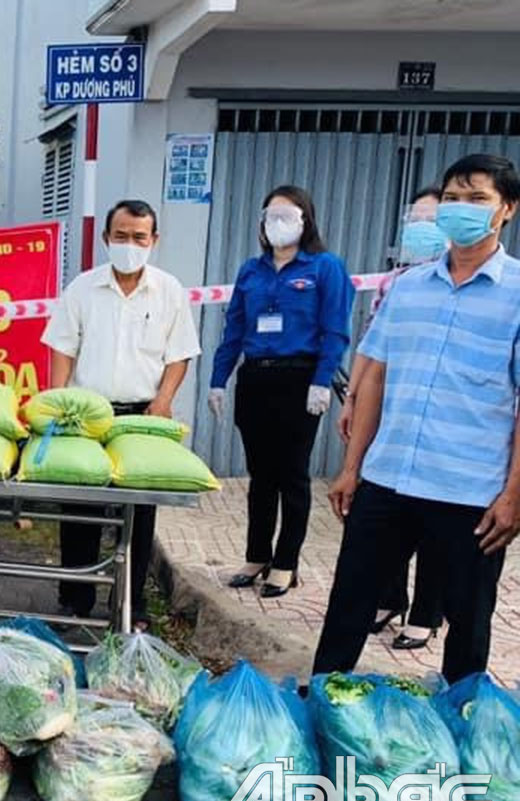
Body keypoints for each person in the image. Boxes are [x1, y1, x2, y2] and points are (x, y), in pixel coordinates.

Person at [315, 153, 520, 684]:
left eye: (477, 199)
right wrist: (352, 466)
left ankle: (460, 725)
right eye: (452, 198)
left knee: (468, 623)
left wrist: (514, 494)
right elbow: (376, 380)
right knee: (349, 606)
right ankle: (319, 703)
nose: (460, 209)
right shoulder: (408, 287)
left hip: (469, 491)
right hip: (388, 479)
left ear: (507, 211)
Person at [42, 200, 201, 629]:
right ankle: (75, 598)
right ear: (106, 238)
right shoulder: (82, 288)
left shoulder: (168, 290)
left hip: (142, 414)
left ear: (154, 240)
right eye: (122, 236)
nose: (130, 245)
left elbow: (180, 354)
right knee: (79, 508)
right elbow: (62, 346)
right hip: (86, 414)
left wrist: (164, 400)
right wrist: (58, 399)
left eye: (139, 238)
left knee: (137, 513)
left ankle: (131, 604)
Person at [209, 185, 354, 598]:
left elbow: (335, 330)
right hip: (256, 379)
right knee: (261, 476)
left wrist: (322, 380)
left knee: (292, 474)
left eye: (287, 216)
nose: (277, 223)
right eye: (270, 215)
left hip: (300, 379)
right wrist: (219, 379)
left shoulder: (324, 267)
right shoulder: (251, 271)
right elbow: (234, 327)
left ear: (305, 221)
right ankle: (257, 554)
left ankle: (286, 563)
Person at [336, 186, 447, 650]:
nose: (420, 228)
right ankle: (388, 598)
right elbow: (371, 346)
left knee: (434, 519)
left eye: (431, 219)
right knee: (385, 509)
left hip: (442, 428)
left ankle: (425, 613)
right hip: (392, 414)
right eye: (414, 218)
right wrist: (353, 398)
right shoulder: (395, 283)